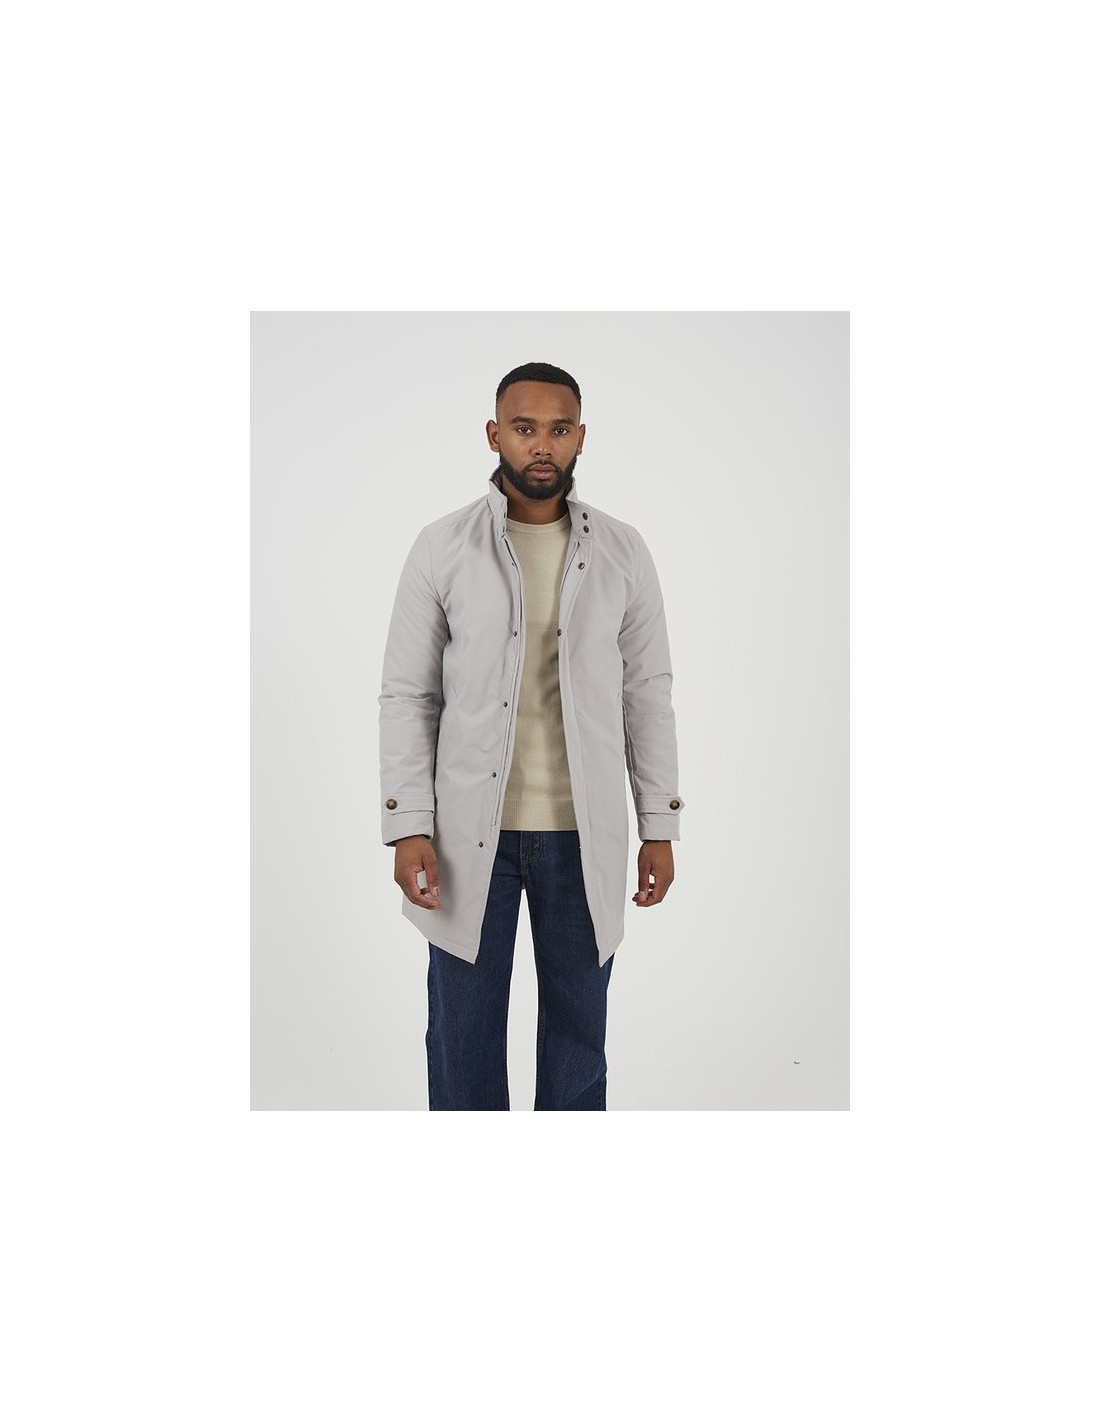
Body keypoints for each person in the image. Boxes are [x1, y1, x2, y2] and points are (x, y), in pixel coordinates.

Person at [378, 361, 684, 1110]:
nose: (541, 445)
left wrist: (659, 826)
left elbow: (648, 695)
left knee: (579, 1047)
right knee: (463, 1043)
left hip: (584, 837)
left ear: (581, 437)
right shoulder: (442, 548)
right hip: (464, 839)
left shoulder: (623, 552)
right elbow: (409, 696)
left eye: (558, 428)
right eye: (524, 428)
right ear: (495, 435)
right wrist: (408, 825)